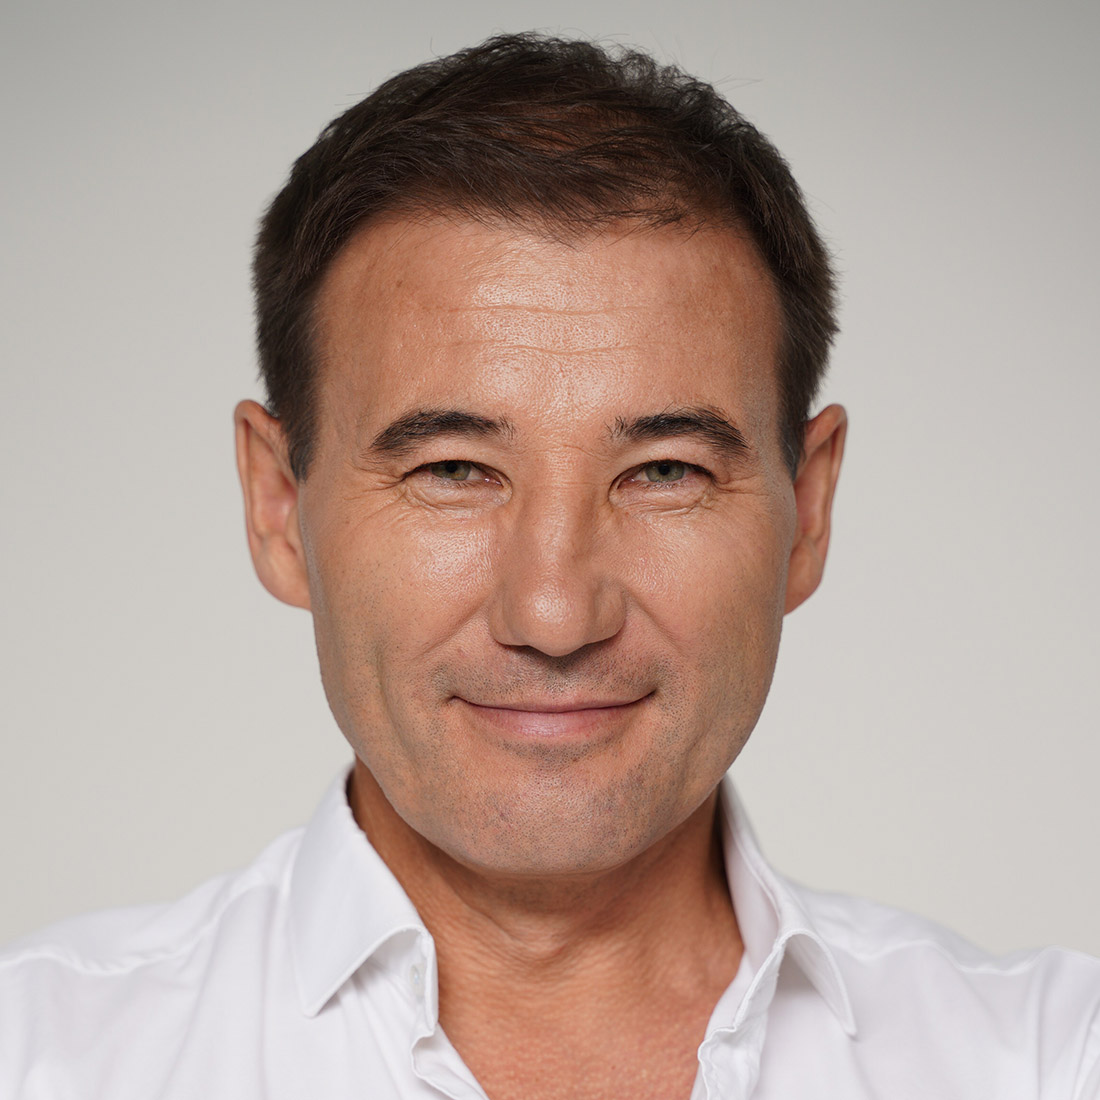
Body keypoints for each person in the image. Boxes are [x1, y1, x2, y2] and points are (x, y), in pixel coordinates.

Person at [2, 31, 1097, 1100]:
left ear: (806, 512)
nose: (555, 611)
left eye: (664, 471)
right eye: (452, 469)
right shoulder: (37, 1058)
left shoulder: (1049, 1063)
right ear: (278, 505)